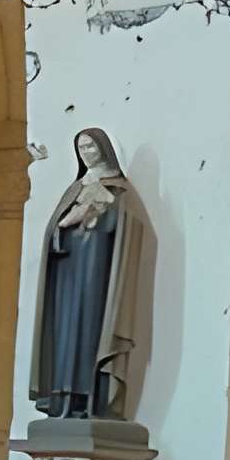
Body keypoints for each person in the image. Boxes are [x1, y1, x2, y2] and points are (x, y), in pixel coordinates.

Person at [31, 127, 145, 421]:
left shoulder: (118, 188)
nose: (86, 154)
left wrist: (99, 214)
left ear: (105, 149)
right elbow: (55, 229)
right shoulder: (76, 188)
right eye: (81, 149)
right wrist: (63, 227)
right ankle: (62, 400)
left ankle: (91, 400)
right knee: (65, 333)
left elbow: (122, 230)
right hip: (68, 274)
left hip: (95, 272)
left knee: (89, 333)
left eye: (91, 148)